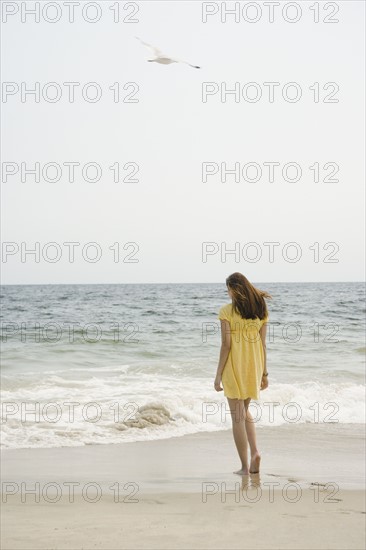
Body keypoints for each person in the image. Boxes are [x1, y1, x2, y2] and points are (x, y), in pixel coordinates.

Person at [214, 272, 272, 475]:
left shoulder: (226, 311)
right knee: (244, 411)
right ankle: (255, 452)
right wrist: (264, 373)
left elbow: (226, 345)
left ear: (234, 289)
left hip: (234, 365)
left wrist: (218, 374)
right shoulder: (261, 309)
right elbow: (263, 344)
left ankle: (244, 467)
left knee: (237, 416)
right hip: (253, 366)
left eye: (228, 289)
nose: (227, 293)